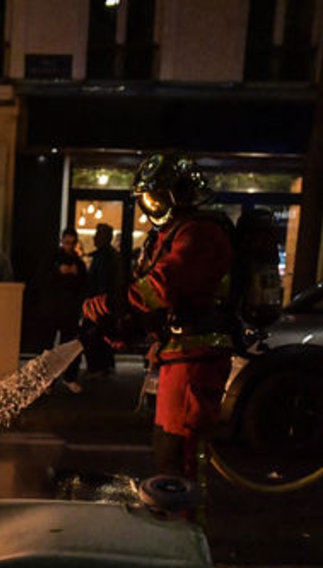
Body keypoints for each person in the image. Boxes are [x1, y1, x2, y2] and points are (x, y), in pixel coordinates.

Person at [82, 153, 236, 481]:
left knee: (180, 456)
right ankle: (174, 519)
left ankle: (186, 525)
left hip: (195, 359)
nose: (150, 207)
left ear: (178, 195)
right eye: (146, 199)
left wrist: (111, 304)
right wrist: (123, 327)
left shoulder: (200, 234)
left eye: (155, 198)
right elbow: (153, 301)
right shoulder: (170, 235)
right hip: (174, 356)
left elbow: (161, 287)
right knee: (167, 450)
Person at [34, 227, 89, 392]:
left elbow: (84, 285)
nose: (69, 246)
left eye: (71, 243)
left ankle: (66, 377)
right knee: (48, 347)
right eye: (67, 243)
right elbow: (41, 279)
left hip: (66, 310)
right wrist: (59, 273)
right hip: (53, 309)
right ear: (62, 242)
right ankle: (48, 380)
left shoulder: (77, 263)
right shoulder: (55, 260)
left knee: (68, 346)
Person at [81, 223, 121, 375]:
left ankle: (97, 366)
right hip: (104, 304)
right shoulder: (111, 257)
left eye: (98, 235)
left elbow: (100, 282)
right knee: (100, 336)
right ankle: (102, 365)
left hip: (98, 304)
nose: (94, 238)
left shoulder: (102, 258)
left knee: (94, 336)